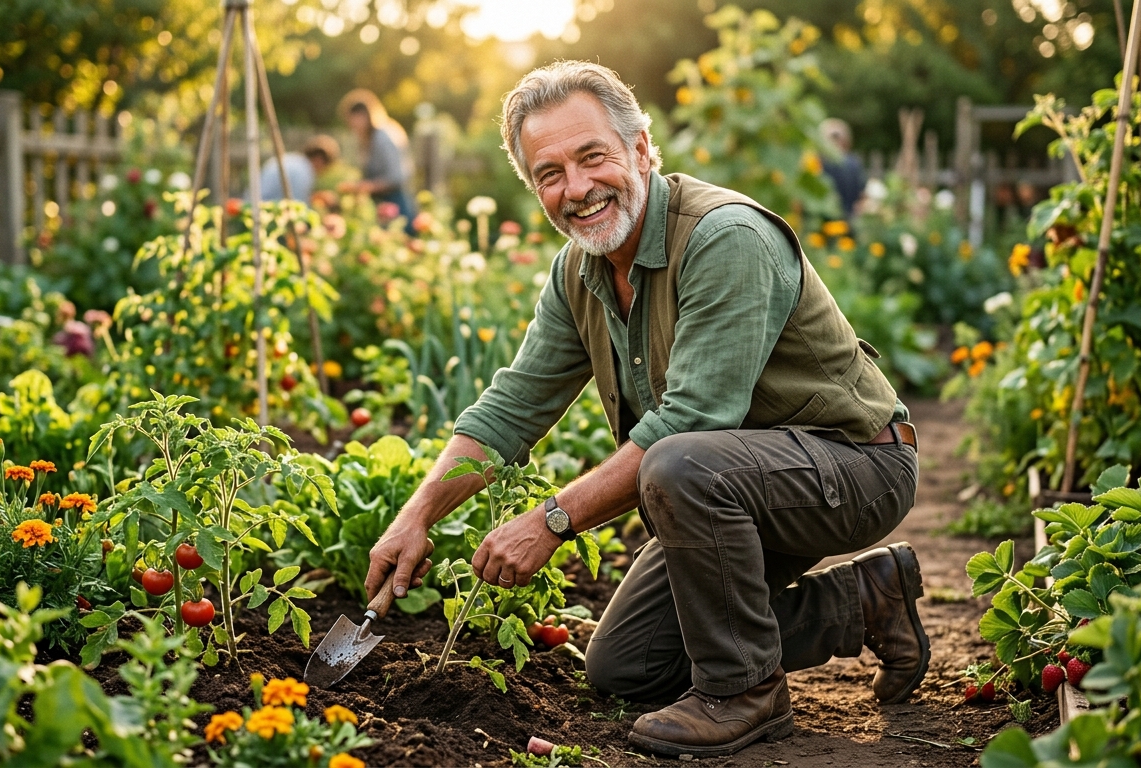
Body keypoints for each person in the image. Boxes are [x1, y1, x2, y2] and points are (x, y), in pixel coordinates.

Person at [362, 62, 927, 758]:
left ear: (639, 148)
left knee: (680, 459)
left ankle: (745, 693)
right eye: (549, 173)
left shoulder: (724, 236)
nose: (576, 189)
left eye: (592, 156)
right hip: (735, 483)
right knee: (628, 667)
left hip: (853, 468)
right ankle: (863, 601)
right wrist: (413, 517)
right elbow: (511, 406)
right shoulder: (579, 272)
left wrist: (552, 520)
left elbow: (691, 421)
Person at [336, 89, 416, 220]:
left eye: (354, 119)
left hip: (395, 201)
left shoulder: (383, 137)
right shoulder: (367, 139)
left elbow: (396, 177)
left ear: (365, 116)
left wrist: (364, 187)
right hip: (381, 202)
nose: (351, 125)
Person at [819, 118, 866, 221]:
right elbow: (861, 195)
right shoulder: (854, 163)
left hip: (824, 220)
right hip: (850, 220)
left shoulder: (819, 163)